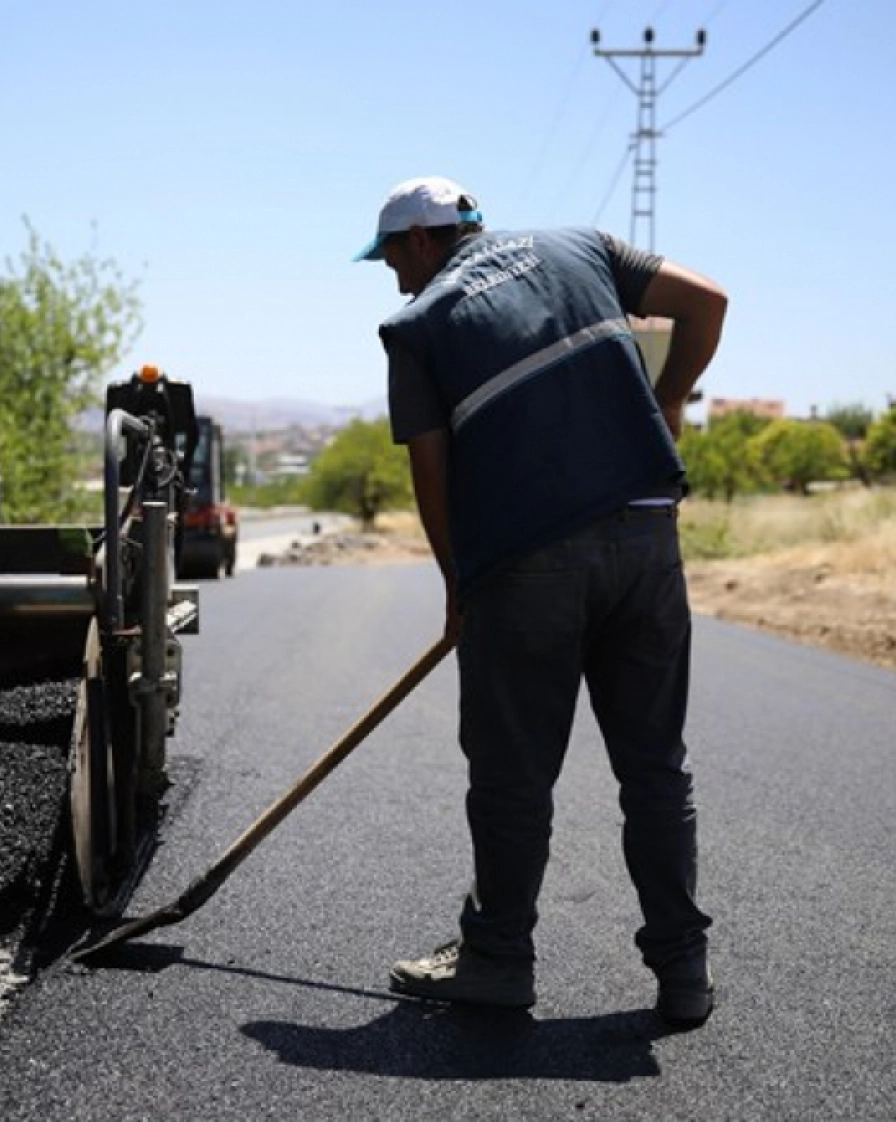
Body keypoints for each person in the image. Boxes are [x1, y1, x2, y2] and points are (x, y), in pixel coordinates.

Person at [354, 176, 727, 1029]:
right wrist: (668, 399)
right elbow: (708, 301)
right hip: (645, 541)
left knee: (514, 775)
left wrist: (460, 585)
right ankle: (683, 974)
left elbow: (431, 467)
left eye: (390, 260)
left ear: (421, 240)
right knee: (655, 767)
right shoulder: (582, 246)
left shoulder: (418, 325)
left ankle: (496, 960)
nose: (394, 280)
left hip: (528, 564)